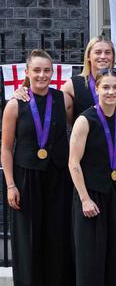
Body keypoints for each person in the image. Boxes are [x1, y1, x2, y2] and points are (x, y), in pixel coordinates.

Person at [1, 49, 74, 285]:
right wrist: (11, 185)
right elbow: (5, 148)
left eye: (47, 70)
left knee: (56, 237)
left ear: (53, 73)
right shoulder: (15, 104)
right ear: (27, 72)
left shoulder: (62, 99)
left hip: (58, 178)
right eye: (37, 70)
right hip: (26, 177)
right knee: (28, 239)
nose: (42, 75)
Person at [67, 68, 116, 286]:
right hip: (91, 195)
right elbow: (73, 162)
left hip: (114, 194)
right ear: (97, 89)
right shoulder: (85, 120)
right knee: (90, 261)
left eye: (115, 87)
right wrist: (85, 199)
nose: (111, 92)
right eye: (106, 87)